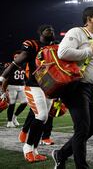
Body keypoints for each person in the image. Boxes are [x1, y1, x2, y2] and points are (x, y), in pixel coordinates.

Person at [52, 6, 93, 169]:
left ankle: (61, 154)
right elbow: (63, 53)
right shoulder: (77, 32)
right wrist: (89, 51)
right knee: (82, 128)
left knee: (92, 127)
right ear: (89, 19)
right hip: (77, 87)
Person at [0, 24, 56, 163]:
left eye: (52, 29)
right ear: (40, 32)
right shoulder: (33, 45)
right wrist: (1, 78)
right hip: (34, 86)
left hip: (49, 86)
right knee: (41, 115)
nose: (51, 31)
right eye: (47, 29)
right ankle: (27, 148)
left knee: (44, 118)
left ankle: (35, 150)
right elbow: (16, 62)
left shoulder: (56, 46)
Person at [1, 50, 28, 128]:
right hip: (11, 86)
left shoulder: (24, 64)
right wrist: (3, 91)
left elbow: (26, 77)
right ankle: (9, 122)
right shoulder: (10, 65)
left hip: (22, 86)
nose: (16, 58)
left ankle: (14, 116)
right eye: (15, 57)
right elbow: (5, 79)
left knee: (24, 102)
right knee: (12, 104)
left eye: (18, 57)